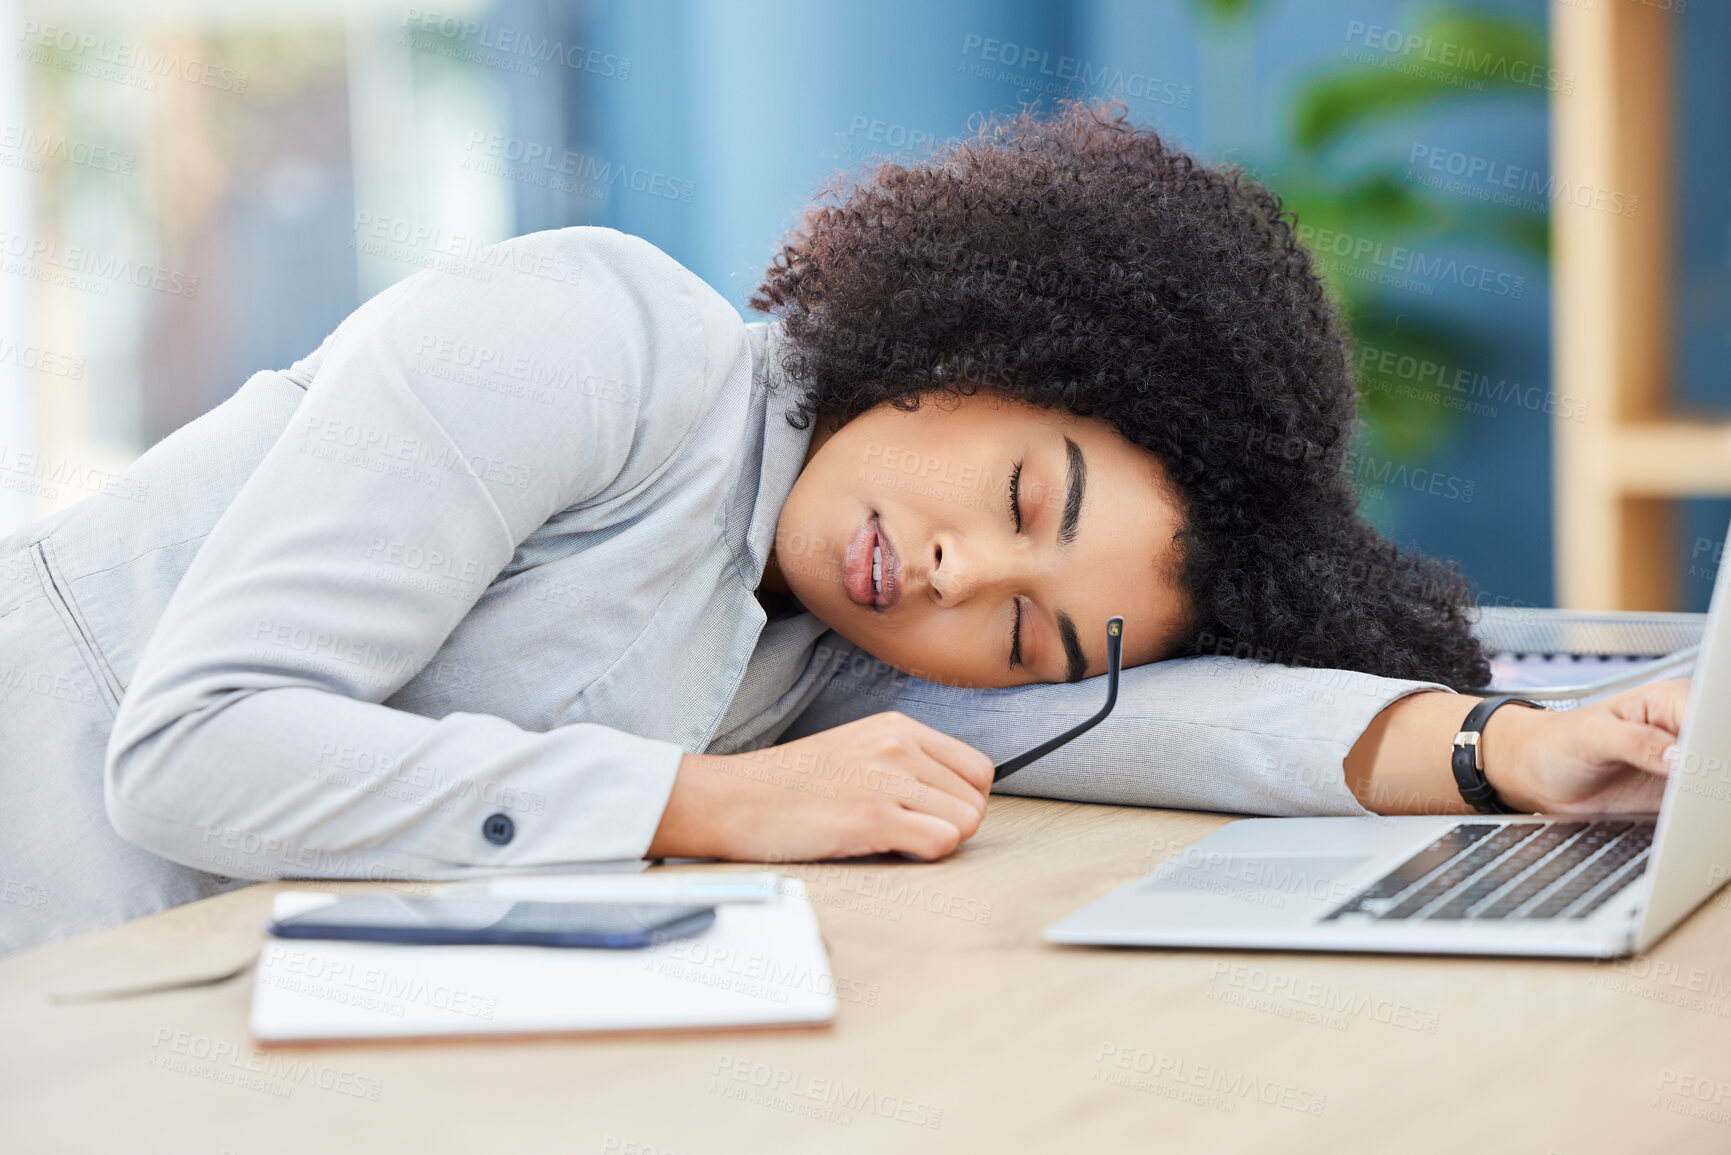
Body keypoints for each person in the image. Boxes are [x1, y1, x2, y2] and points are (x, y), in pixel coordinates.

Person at [0, 102, 1684, 956]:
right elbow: (196, 754)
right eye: (1029, 498)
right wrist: (704, 806)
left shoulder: (822, 654)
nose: (963, 579)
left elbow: (1185, 719)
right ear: (990, 352)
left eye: (1026, 631)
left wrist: (1508, 753)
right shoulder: (600, 337)